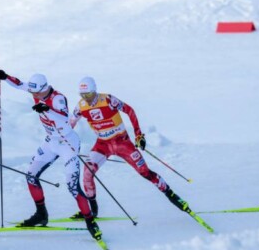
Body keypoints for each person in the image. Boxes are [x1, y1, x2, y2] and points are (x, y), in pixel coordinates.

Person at [0, 69, 104, 244]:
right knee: (30, 176)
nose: (35, 95)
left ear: (45, 88)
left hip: (68, 143)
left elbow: (64, 120)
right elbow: (20, 84)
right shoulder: (36, 91)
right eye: (33, 92)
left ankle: (91, 223)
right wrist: (5, 77)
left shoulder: (58, 98)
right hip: (51, 142)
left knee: (73, 187)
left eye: (37, 92)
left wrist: (47, 110)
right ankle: (41, 214)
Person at [69, 76, 194, 217]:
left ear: (95, 91)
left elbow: (130, 111)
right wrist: (65, 140)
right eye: (83, 95)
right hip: (102, 145)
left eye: (89, 94)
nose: (87, 98)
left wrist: (138, 135)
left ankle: (172, 196)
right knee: (87, 173)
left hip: (122, 143)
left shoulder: (108, 100)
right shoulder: (81, 106)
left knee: (145, 172)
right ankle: (92, 210)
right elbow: (70, 124)